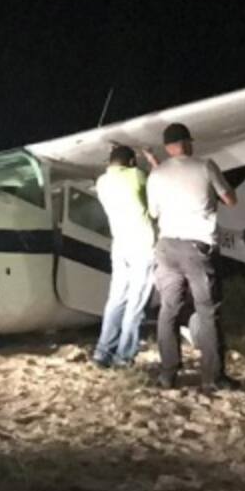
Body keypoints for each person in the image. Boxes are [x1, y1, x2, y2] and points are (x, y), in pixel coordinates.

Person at [146, 122, 240, 391]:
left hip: (166, 247)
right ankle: (213, 377)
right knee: (208, 311)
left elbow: (153, 212)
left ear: (167, 148)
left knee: (168, 311)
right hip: (197, 247)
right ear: (188, 143)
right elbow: (231, 200)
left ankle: (168, 374)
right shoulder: (205, 166)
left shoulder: (156, 174)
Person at [91, 145, 156, 368]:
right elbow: (157, 187)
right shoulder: (137, 176)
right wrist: (152, 160)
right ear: (131, 162)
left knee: (116, 300)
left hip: (120, 244)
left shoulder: (102, 182)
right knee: (136, 304)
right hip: (142, 244)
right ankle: (123, 356)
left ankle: (102, 353)